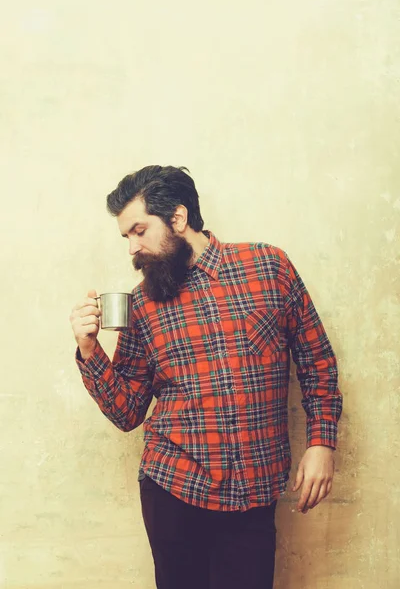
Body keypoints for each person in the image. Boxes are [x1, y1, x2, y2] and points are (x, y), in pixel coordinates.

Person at [70, 165, 342, 589]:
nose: (132, 248)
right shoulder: (142, 304)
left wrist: (322, 443)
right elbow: (127, 412)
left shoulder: (268, 267)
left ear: (178, 219)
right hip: (173, 489)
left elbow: (317, 361)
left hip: (254, 494)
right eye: (126, 236)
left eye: (139, 231)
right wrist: (89, 350)